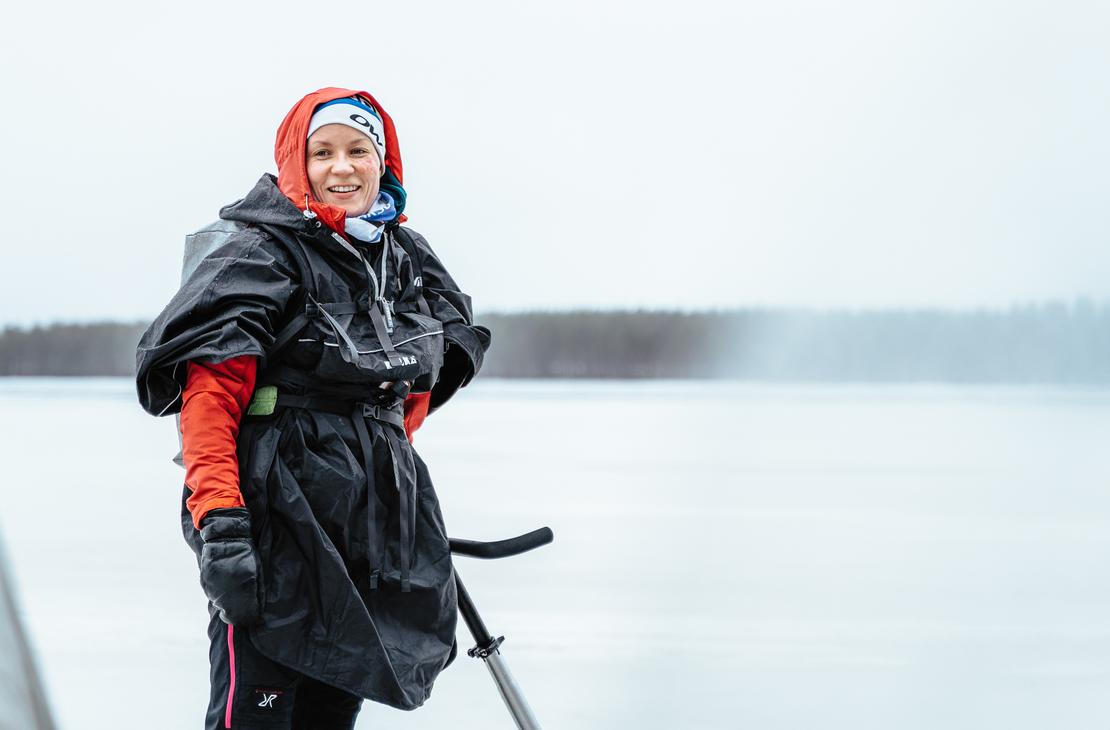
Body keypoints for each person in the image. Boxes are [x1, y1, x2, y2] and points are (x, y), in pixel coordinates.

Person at [136, 87, 491, 729]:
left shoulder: (406, 260)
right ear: (297, 162)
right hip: (275, 517)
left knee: (332, 707)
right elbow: (209, 401)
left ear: (385, 163)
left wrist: (378, 453)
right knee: (259, 713)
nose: (342, 167)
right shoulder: (260, 254)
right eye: (322, 152)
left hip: (372, 527)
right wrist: (222, 524)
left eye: (359, 150)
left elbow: (425, 374)